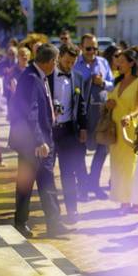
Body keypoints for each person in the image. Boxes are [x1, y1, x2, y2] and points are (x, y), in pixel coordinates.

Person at [7, 44, 67, 239]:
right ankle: (21, 222)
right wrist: (39, 141)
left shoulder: (37, 75)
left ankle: (54, 223)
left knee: (47, 181)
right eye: (56, 61)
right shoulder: (32, 78)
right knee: (27, 182)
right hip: (32, 142)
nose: (56, 64)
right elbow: (30, 113)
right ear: (49, 62)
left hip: (38, 140)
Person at [105, 48, 138, 212]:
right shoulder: (117, 81)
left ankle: (135, 201)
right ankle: (124, 200)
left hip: (132, 127)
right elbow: (110, 101)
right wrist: (108, 105)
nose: (118, 64)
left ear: (131, 63)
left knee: (132, 165)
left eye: (122, 61)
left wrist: (130, 116)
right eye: (117, 61)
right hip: (115, 129)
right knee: (117, 165)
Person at [74, 34, 115, 199]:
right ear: (81, 48)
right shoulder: (76, 64)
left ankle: (94, 184)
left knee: (102, 150)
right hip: (83, 114)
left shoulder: (103, 62)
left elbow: (113, 85)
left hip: (102, 114)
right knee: (80, 151)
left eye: (95, 48)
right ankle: (83, 186)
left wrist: (103, 83)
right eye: (88, 48)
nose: (92, 51)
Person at [52, 43, 90, 220]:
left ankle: (71, 210)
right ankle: (51, 211)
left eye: (73, 62)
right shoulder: (48, 75)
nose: (69, 65)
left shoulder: (78, 77)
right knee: (45, 172)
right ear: (59, 57)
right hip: (50, 130)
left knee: (68, 172)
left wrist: (83, 128)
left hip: (68, 130)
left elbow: (82, 105)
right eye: (67, 61)